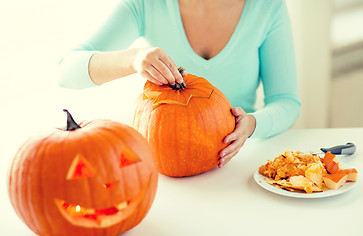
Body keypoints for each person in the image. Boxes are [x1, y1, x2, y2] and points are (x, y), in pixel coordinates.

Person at [58, 0, 301, 168]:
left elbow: (286, 102)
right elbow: (66, 71)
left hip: (237, 166)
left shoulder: (268, 7)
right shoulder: (146, 4)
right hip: (161, 169)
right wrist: (133, 59)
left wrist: (253, 124)